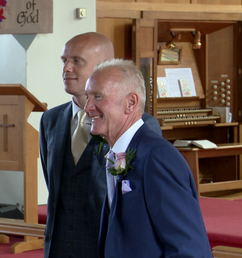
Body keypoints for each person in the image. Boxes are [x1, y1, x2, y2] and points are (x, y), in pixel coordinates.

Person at [39, 32, 162, 258]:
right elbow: (54, 189)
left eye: (76, 61)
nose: (66, 68)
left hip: (107, 247)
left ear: (105, 66)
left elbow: (141, 198)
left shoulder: (137, 124)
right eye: (64, 60)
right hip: (58, 248)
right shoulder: (51, 120)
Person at [84, 59, 212, 258]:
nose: (88, 107)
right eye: (87, 97)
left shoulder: (157, 157)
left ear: (131, 103)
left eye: (98, 97)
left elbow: (188, 247)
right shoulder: (118, 153)